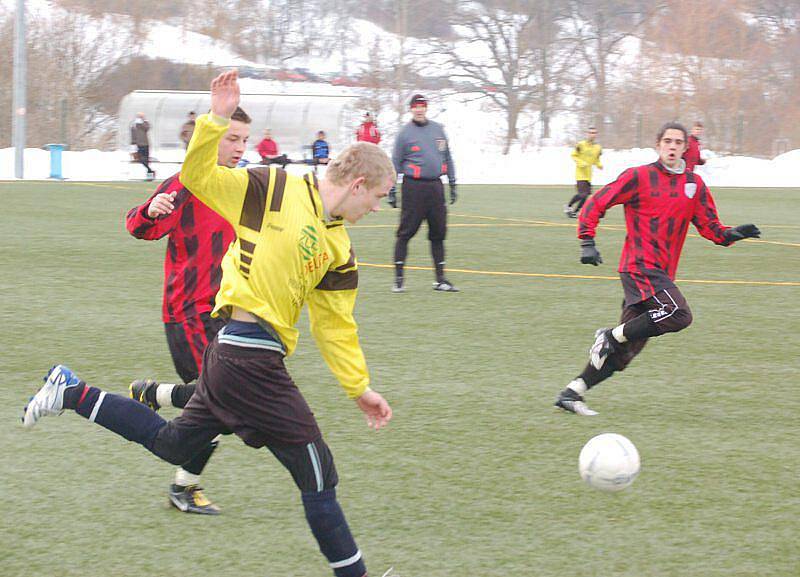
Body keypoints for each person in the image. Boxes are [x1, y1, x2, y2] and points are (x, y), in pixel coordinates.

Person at [24, 70, 394, 577]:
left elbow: (336, 327)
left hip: (235, 354)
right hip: (246, 356)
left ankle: (72, 392)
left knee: (175, 444)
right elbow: (197, 178)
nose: (377, 208)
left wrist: (359, 388)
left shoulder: (339, 248)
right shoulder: (271, 187)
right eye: (378, 197)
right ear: (358, 185)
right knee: (316, 473)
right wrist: (215, 119)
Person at [554, 122, 761, 416]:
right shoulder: (638, 177)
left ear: (685, 148)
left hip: (660, 274)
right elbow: (597, 202)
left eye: (678, 142)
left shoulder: (694, 185)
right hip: (639, 267)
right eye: (668, 141)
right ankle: (609, 335)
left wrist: (731, 234)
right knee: (678, 313)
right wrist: (587, 239)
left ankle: (572, 393)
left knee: (627, 351)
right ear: (658, 145)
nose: (673, 146)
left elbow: (709, 227)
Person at [124, 106, 251, 514]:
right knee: (220, 403)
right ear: (210, 140)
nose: (239, 147)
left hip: (231, 311)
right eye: (232, 138)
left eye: (244, 140)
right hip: (188, 312)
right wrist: (150, 210)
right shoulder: (184, 185)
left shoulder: (240, 184)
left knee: (223, 403)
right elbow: (138, 227)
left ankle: (153, 395)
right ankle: (184, 487)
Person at [389, 93, 458, 293]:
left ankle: (440, 279)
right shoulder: (404, 133)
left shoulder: (438, 130)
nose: (419, 109)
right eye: (415, 106)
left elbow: (447, 157)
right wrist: (392, 189)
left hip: (435, 187)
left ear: (426, 108)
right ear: (411, 109)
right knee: (405, 233)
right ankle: (399, 280)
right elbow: (395, 163)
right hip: (413, 187)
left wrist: (452, 183)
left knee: (438, 233)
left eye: (422, 106)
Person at [564, 126, 602, 218]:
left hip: (589, 175)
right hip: (580, 174)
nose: (592, 135)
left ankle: (575, 212)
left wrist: (599, 164)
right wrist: (581, 162)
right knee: (583, 194)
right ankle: (568, 206)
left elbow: (596, 159)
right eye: (591, 133)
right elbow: (573, 155)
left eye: (594, 133)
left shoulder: (598, 147)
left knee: (586, 196)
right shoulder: (580, 145)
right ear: (587, 134)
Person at [130, 112, 155, 180]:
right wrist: (132, 145)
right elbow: (133, 135)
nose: (140, 117)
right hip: (138, 145)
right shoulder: (134, 124)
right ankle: (151, 172)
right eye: (139, 116)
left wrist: (141, 123)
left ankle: (149, 177)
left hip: (145, 144)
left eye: (141, 116)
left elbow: (147, 128)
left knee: (146, 160)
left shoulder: (145, 123)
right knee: (140, 159)